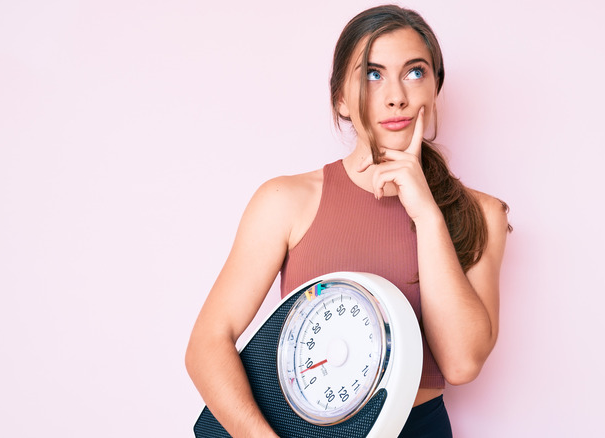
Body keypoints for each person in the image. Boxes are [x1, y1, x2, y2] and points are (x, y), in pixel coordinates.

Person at [186, 4, 510, 437]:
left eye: (415, 72)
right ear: (340, 97)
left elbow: (461, 363)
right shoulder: (287, 201)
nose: (396, 96)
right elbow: (207, 344)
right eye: (372, 75)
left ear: (435, 88)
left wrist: (426, 214)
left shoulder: (482, 213)